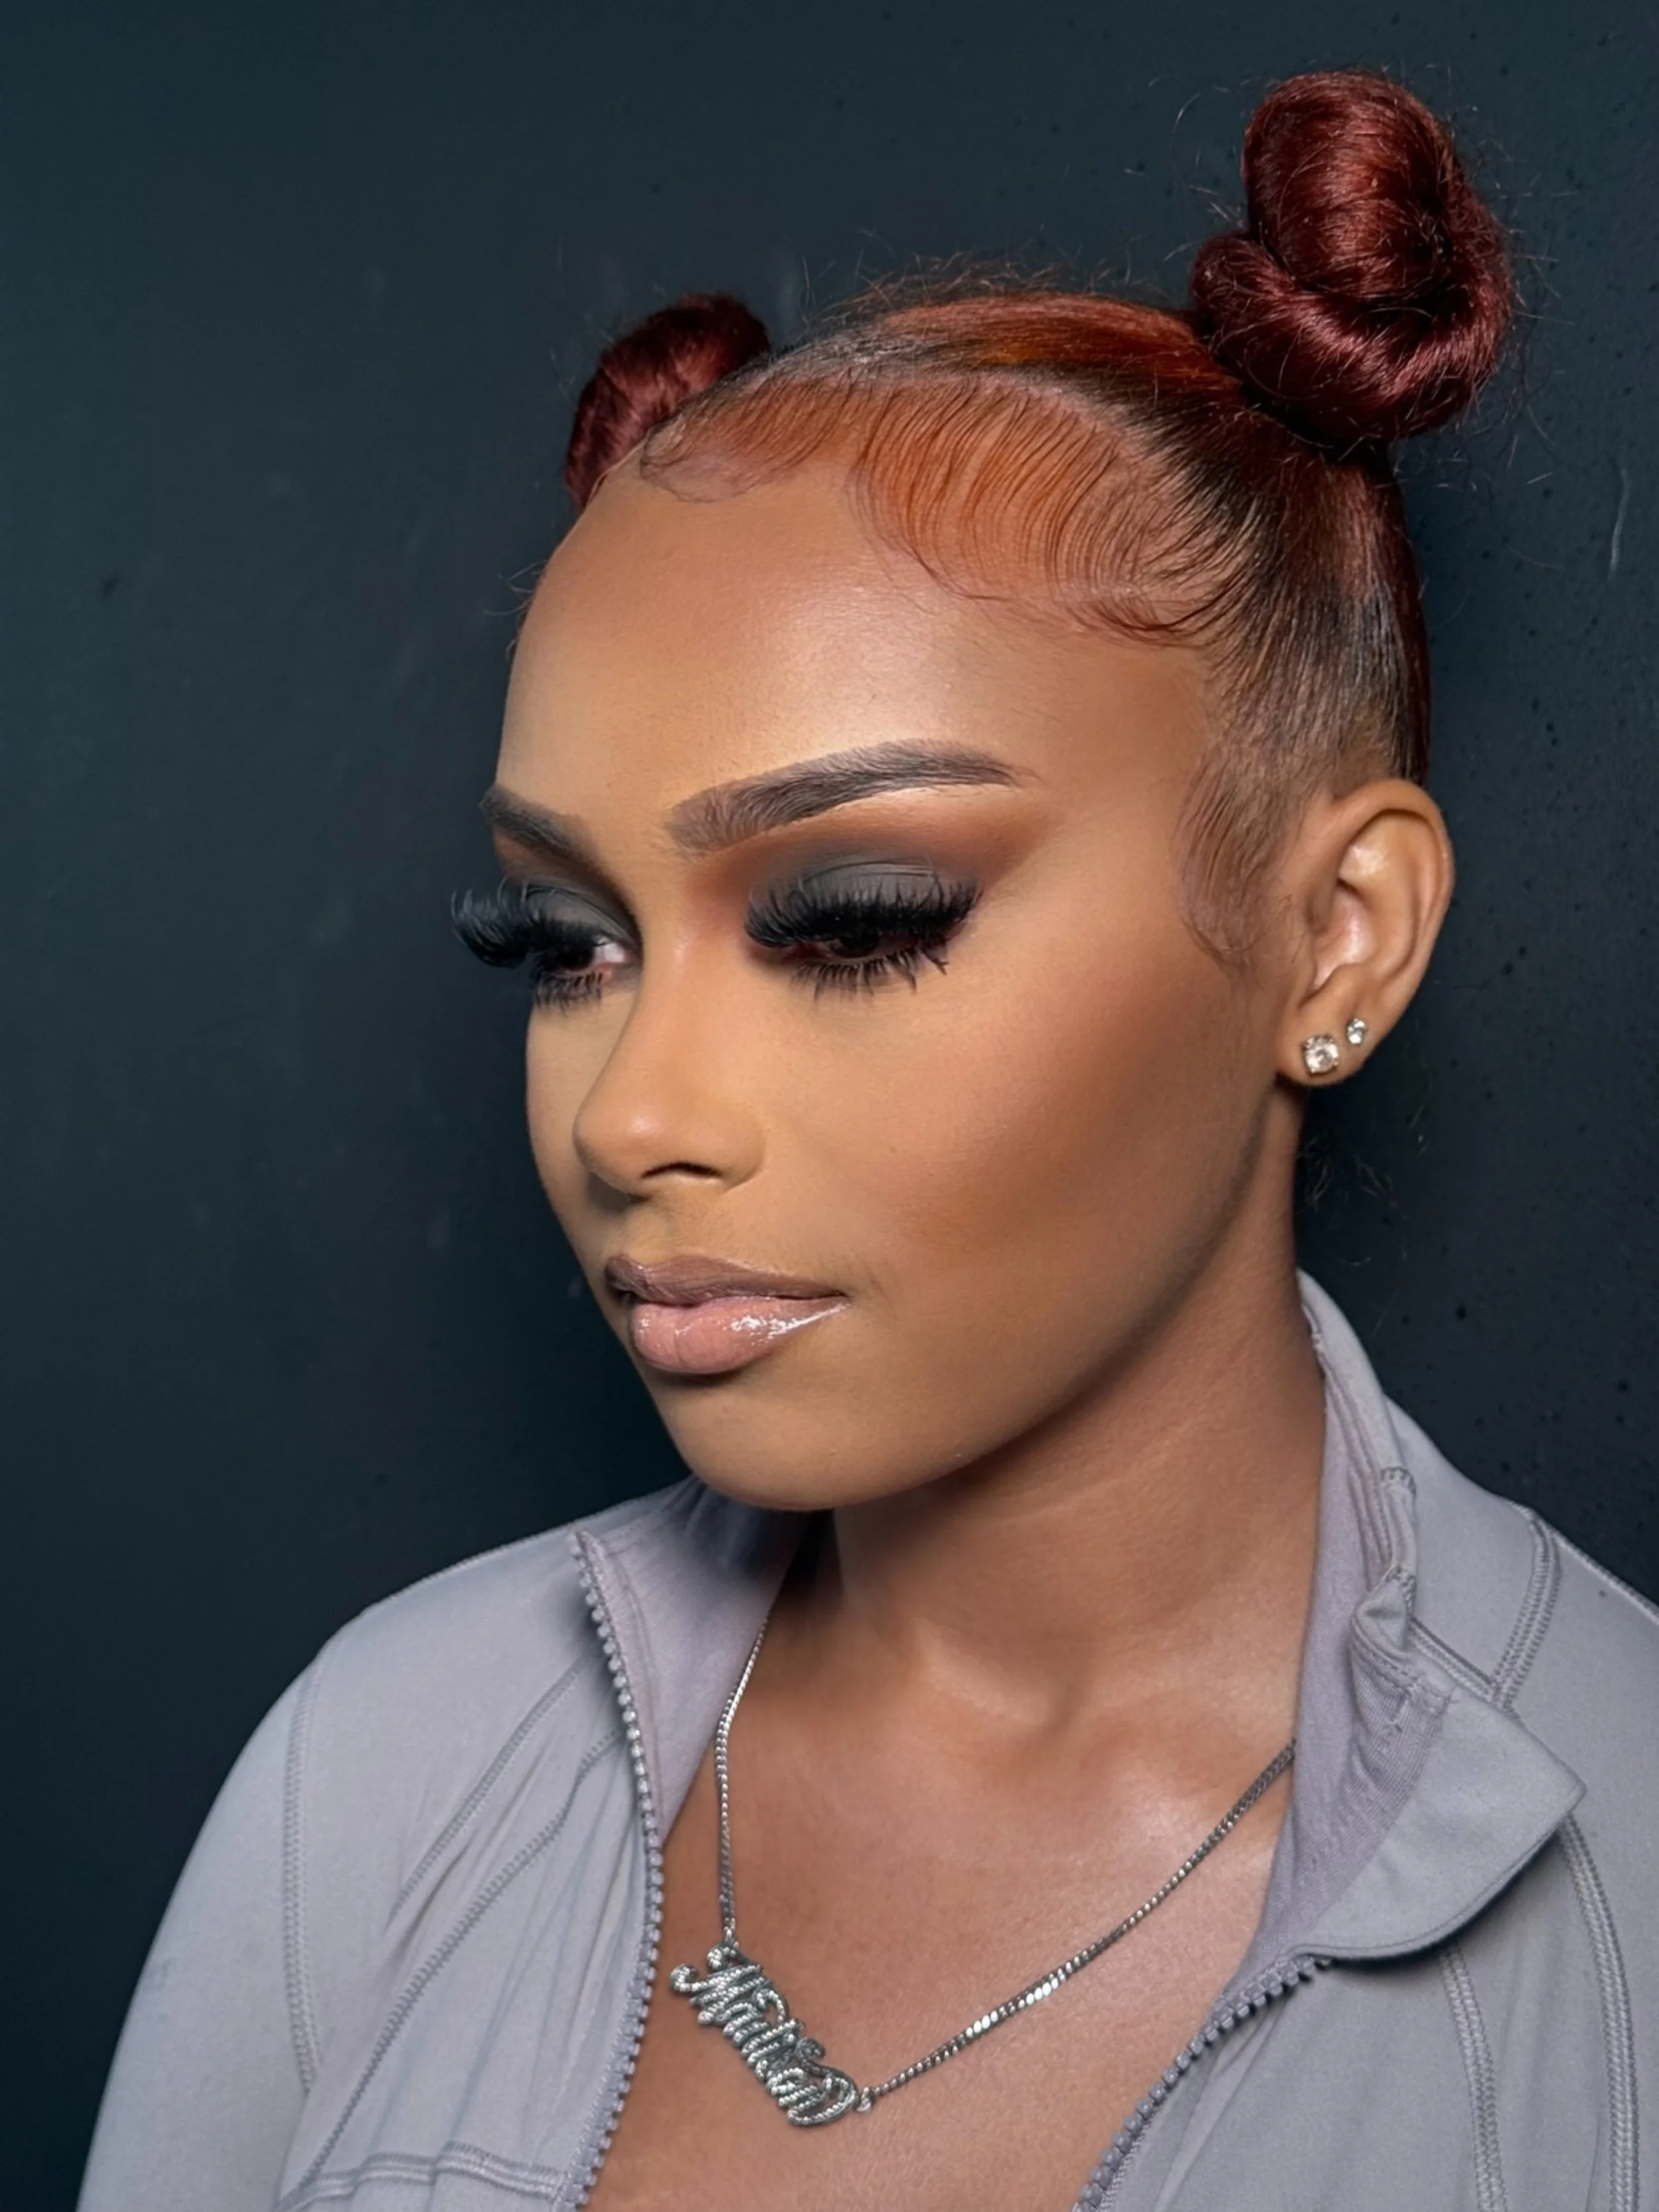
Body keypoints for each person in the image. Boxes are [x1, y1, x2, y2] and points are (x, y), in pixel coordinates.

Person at [79, 68, 1655, 2212]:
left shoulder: (1625, 1878)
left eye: (851, 924)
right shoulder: (384, 1772)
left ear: (1332, 934)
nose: (632, 1113)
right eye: (563, 941)